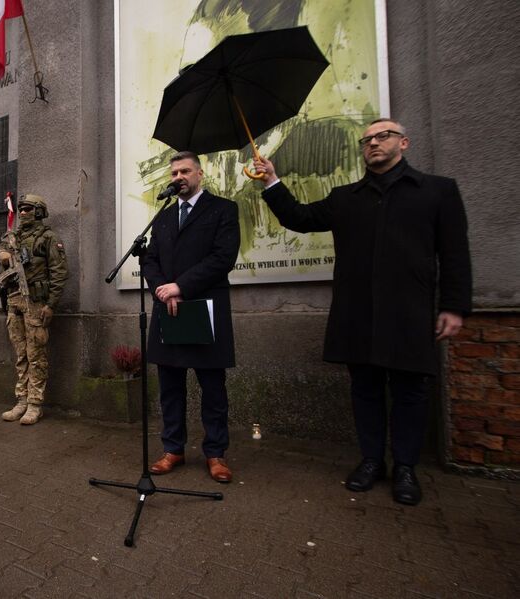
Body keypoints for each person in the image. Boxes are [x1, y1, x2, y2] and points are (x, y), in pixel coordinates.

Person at [251, 118, 472, 505]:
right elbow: (299, 218)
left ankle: (406, 467)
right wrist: (271, 180)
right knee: (365, 389)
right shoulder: (346, 197)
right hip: (358, 311)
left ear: (403, 142)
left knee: (410, 390)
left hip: (409, 310)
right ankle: (372, 460)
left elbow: (454, 253)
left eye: (382, 136)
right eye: (366, 140)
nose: (372, 143)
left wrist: (453, 306)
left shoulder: (437, 191)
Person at [141, 151, 241, 482]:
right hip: (169, 309)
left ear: (200, 174)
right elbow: (150, 260)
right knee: (170, 386)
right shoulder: (164, 216)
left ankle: (215, 453)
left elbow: (223, 257)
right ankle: (173, 449)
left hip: (204, 308)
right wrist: (163, 290)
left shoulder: (223, 209)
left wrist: (180, 286)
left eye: (185, 171)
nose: (178, 177)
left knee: (212, 387)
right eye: (174, 173)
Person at [0, 194, 68, 425]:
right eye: (21, 209)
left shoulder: (48, 238)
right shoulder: (12, 238)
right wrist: (1, 256)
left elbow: (59, 273)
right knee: (21, 355)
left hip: (35, 303)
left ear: (39, 211)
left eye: (28, 209)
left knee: (36, 356)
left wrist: (50, 305)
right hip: (14, 302)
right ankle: (21, 401)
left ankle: (35, 404)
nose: (23, 213)